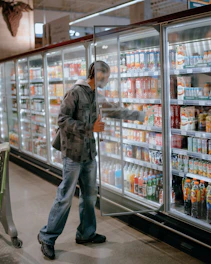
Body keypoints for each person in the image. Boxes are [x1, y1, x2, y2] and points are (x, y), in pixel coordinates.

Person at [38, 61, 146, 260]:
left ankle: (86, 233)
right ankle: (47, 237)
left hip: (89, 155)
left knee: (89, 197)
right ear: (96, 74)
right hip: (73, 154)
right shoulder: (75, 92)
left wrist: (142, 114)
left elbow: (114, 110)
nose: (108, 79)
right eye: (106, 76)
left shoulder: (96, 95)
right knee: (65, 197)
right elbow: (62, 120)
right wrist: (89, 129)